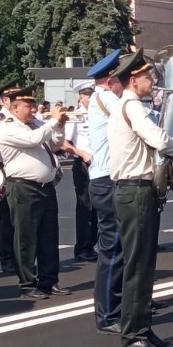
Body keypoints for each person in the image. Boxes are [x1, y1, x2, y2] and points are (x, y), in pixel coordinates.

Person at [107, 52, 173, 347]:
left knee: (143, 264)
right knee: (139, 266)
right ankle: (134, 333)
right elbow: (158, 140)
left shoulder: (129, 105)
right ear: (134, 80)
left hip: (135, 190)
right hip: (135, 191)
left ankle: (142, 328)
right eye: (149, 77)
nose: (154, 81)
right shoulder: (131, 105)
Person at [0, 85, 69, 299]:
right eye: (28, 106)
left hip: (45, 187)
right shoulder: (8, 128)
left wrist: (60, 126)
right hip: (23, 187)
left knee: (49, 236)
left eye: (33, 106)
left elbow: (54, 145)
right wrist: (53, 121)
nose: (33, 110)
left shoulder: (34, 124)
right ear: (15, 108)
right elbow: (33, 140)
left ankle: (49, 280)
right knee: (26, 238)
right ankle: (27, 283)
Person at [83, 50, 129, 333]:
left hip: (110, 179)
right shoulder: (108, 98)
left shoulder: (106, 98)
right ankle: (108, 314)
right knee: (112, 249)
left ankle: (122, 303)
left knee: (122, 247)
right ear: (112, 79)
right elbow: (134, 121)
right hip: (106, 180)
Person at [64, 81, 99, 264]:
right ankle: (83, 247)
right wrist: (81, 153)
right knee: (86, 206)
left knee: (98, 206)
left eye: (92, 94)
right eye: (87, 95)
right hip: (83, 164)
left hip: (99, 164)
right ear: (80, 97)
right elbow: (64, 143)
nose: (90, 98)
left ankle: (93, 244)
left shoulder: (97, 113)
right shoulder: (75, 116)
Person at [0, 88, 21, 276]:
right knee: (7, 217)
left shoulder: (22, 119)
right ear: (4, 101)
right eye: (13, 99)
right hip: (6, 167)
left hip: (22, 168)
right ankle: (7, 258)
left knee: (22, 217)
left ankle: (21, 256)